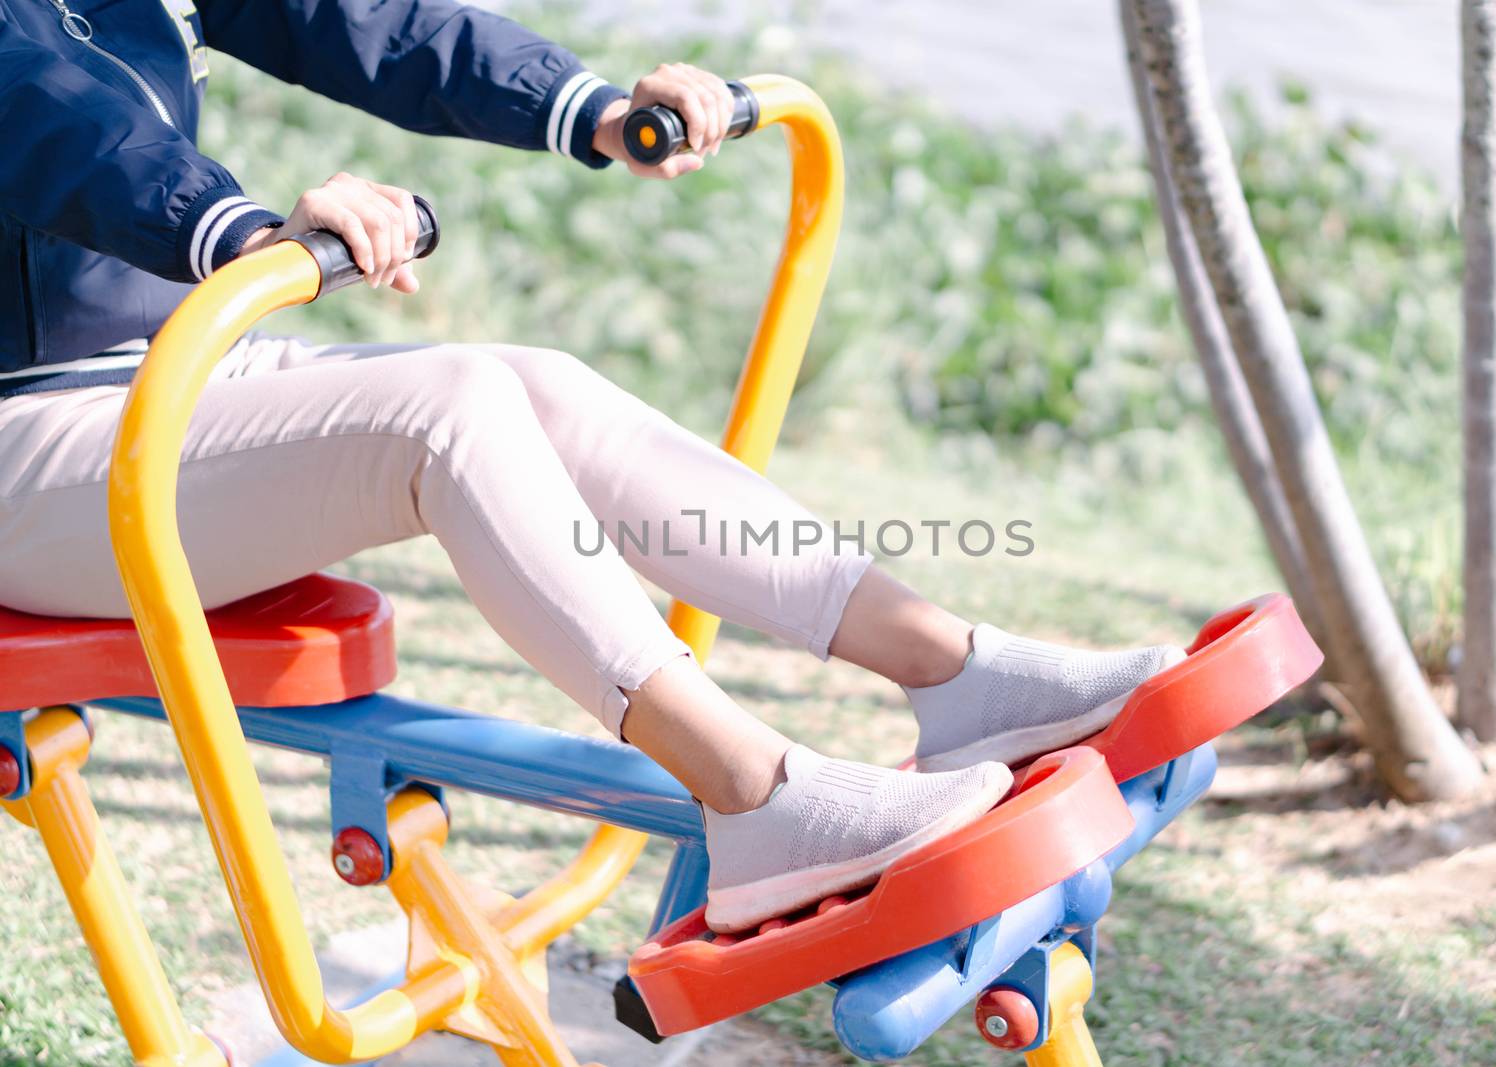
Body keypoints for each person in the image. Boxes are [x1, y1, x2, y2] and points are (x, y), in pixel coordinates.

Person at [0, 0, 1183, 932]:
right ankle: (756, 799)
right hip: (30, 451)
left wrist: (599, 111)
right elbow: (52, 123)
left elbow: (369, 23)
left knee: (537, 383)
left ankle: (957, 674)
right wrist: (239, 227)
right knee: (445, 408)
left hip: (175, 381)